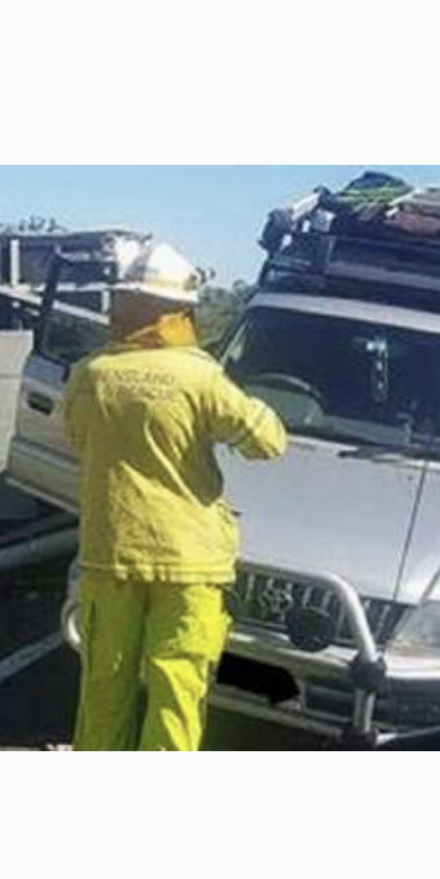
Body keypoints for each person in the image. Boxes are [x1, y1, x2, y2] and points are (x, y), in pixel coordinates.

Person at [64, 241, 287, 751]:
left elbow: (77, 437)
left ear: (123, 304)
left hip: (111, 556)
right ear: (179, 312)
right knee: (176, 695)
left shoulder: (90, 374)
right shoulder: (200, 377)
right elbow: (267, 443)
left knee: (104, 692)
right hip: (190, 562)